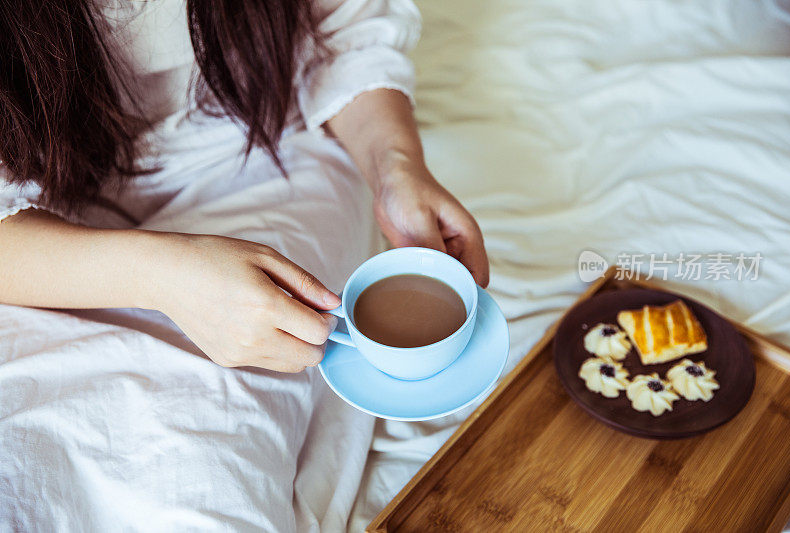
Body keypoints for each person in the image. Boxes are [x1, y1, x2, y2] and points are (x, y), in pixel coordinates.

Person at [0, 0, 489, 529]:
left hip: (261, 151)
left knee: (204, 477)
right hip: (37, 237)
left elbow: (344, 30)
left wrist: (396, 166)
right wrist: (160, 275)